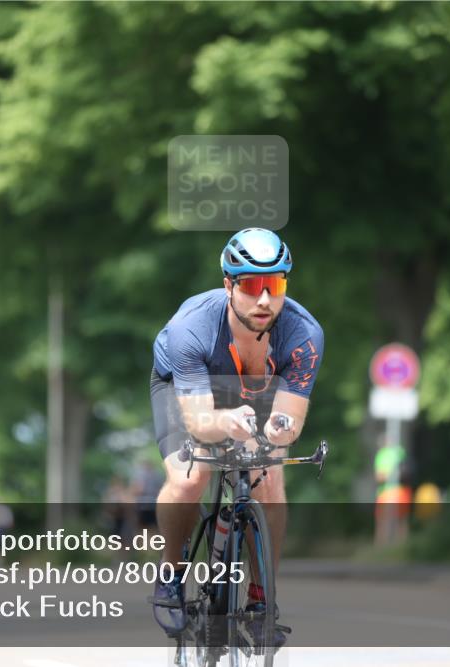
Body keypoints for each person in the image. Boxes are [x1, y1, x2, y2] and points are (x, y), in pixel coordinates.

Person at [149, 228, 324, 647]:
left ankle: (262, 597)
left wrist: (275, 430)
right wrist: (227, 423)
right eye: (250, 286)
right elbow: (199, 422)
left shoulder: (304, 336)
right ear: (229, 285)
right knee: (189, 479)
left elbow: (290, 420)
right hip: (187, 387)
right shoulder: (190, 329)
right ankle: (171, 575)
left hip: (256, 392)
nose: (264, 299)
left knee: (270, 477)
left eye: (275, 285)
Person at [374, 436, 412, 546]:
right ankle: (401, 549)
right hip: (401, 491)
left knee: (383, 522)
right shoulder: (401, 451)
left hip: (389, 492)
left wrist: (389, 476)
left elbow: (379, 476)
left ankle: (382, 549)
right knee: (400, 521)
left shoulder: (383, 454)